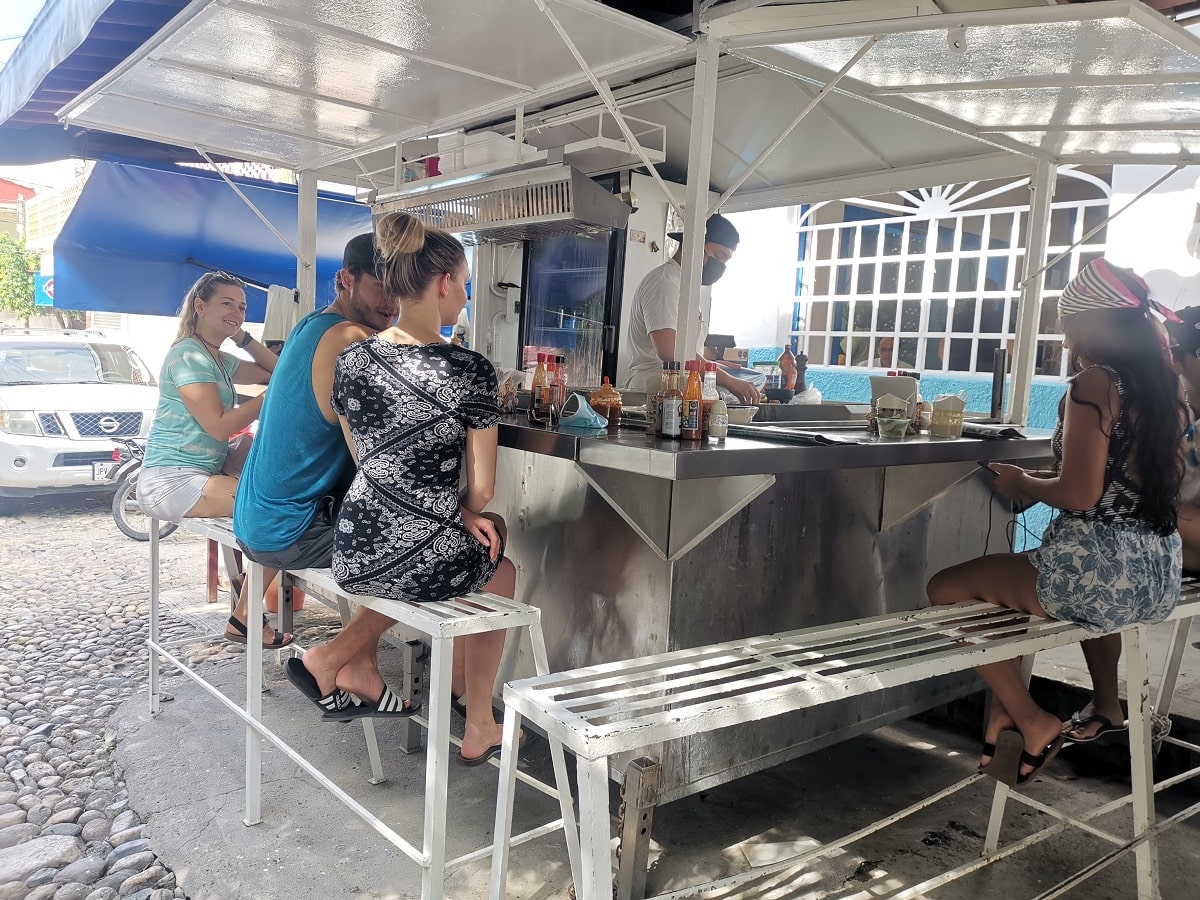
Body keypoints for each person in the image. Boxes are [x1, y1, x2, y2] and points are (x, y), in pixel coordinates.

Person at [927, 259, 1185, 782]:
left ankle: (1029, 718)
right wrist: (1051, 475)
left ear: (1090, 323)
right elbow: (1121, 479)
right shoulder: (1166, 385)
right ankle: (1104, 704)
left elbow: (1080, 494)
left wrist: (1022, 483)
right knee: (1023, 587)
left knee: (946, 589)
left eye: (1067, 324)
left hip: (1098, 575)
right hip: (1156, 574)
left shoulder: (1095, 383)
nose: (1065, 338)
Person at [288, 211, 515, 765]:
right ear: (444, 284)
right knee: (501, 564)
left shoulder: (352, 358)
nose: (466, 296)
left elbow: (371, 462)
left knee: (456, 546)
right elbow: (483, 489)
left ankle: (344, 661)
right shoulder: (470, 369)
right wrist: (463, 512)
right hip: (417, 553)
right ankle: (478, 721)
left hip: (354, 547)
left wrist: (447, 513)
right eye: (465, 284)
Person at [232, 234, 396, 646]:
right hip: (291, 532)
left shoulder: (310, 323)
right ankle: (345, 657)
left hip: (254, 519)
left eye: (401, 291)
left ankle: (247, 615)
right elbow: (377, 459)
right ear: (347, 279)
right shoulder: (353, 339)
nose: (392, 302)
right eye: (381, 287)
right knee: (429, 548)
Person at [138, 271, 288, 649]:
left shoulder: (217, 357)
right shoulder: (188, 355)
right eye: (227, 304)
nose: (236, 312)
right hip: (170, 479)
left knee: (282, 475)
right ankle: (245, 616)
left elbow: (281, 371)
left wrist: (244, 337)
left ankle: (246, 607)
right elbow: (219, 427)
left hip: (205, 469)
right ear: (200, 307)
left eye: (242, 307)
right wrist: (268, 400)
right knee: (280, 512)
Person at [624, 214, 759, 404]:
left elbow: (686, 349)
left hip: (675, 389)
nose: (720, 266)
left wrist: (713, 366)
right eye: (719, 256)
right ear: (695, 245)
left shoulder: (683, 285)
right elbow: (669, 350)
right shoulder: (665, 282)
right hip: (655, 391)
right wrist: (726, 380)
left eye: (725, 261)